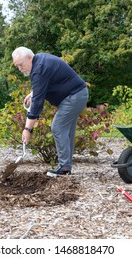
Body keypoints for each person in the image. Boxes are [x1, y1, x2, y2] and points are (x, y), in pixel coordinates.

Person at [12, 46, 89, 177]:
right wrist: (33, 93)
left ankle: (64, 167)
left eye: (21, 65)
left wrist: (27, 129)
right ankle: (66, 167)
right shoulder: (40, 61)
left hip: (74, 96)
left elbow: (37, 105)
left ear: (29, 58)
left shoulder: (39, 69)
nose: (20, 69)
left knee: (58, 127)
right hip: (78, 94)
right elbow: (44, 83)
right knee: (67, 131)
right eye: (17, 66)